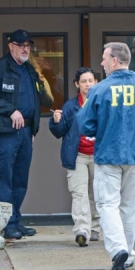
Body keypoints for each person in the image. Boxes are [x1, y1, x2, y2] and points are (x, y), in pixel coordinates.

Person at [76, 42, 135, 270]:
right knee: (130, 207)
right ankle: (127, 253)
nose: (101, 63)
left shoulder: (99, 90)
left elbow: (84, 124)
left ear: (115, 61)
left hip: (108, 155)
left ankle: (119, 250)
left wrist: (98, 128)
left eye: (104, 58)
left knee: (107, 204)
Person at [0, 29, 53, 240]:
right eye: (21, 45)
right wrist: (10, 110)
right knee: (4, 178)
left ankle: (16, 220)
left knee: (20, 179)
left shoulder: (30, 70)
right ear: (10, 46)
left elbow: (40, 100)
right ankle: (7, 224)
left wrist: (33, 129)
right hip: (4, 133)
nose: (25, 49)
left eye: (28, 46)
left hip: (26, 132)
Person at [49, 67, 101, 247]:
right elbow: (59, 131)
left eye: (91, 80)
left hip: (99, 156)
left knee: (96, 194)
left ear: (96, 83)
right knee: (79, 193)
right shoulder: (70, 106)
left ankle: (95, 228)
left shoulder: (102, 102)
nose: (88, 84)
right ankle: (82, 231)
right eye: (84, 81)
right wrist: (55, 121)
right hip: (77, 155)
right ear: (77, 84)